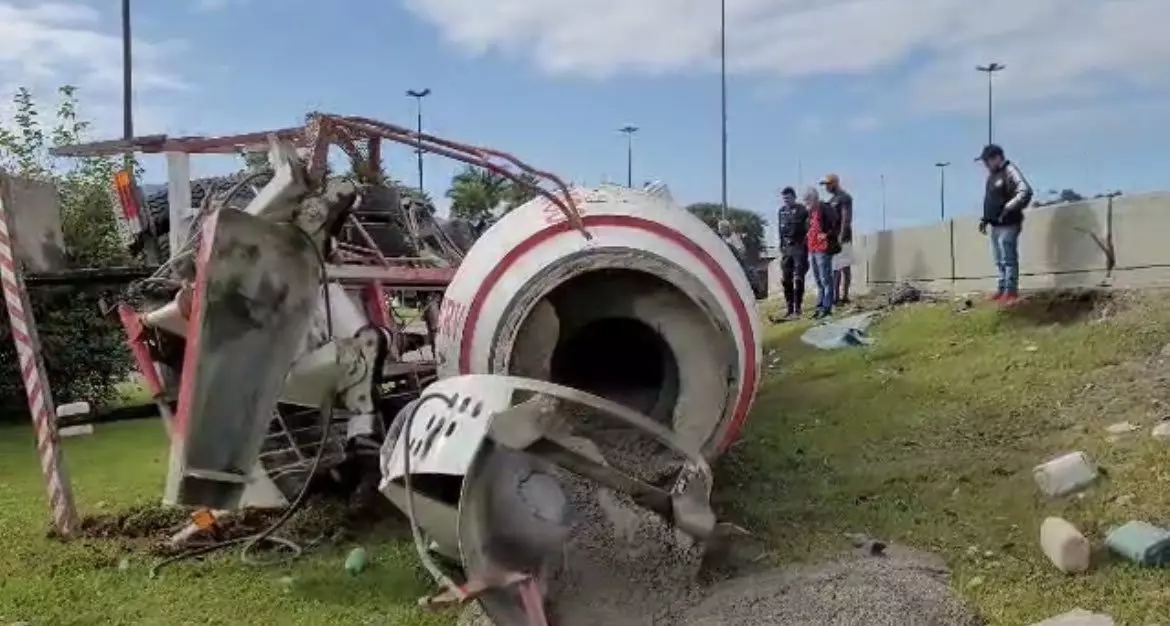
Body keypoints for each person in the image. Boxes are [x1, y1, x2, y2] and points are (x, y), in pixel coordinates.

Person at [976, 144, 1033, 304]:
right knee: (999, 259)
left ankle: (1011, 291)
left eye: (988, 161)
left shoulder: (1010, 170)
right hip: (995, 225)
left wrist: (1008, 207)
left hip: (1009, 223)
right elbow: (990, 200)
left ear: (997, 157)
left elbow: (1025, 191)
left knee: (1008, 258)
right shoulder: (991, 177)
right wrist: (985, 218)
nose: (986, 165)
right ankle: (1001, 290)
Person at [804, 186, 841, 318]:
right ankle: (819, 306)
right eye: (805, 200)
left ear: (815, 198)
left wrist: (827, 234)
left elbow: (837, 224)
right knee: (818, 280)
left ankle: (827, 307)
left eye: (808, 200)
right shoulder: (810, 213)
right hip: (813, 248)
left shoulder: (825, 208)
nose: (806, 203)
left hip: (823, 248)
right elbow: (810, 227)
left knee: (826, 279)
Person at [820, 173, 855, 306]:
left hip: (843, 237)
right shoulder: (831, 200)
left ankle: (844, 296)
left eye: (828, 184)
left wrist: (841, 236)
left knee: (844, 267)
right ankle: (836, 296)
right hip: (833, 238)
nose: (826, 187)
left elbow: (846, 218)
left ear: (835, 183)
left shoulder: (844, 197)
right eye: (825, 185)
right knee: (836, 268)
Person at [776, 187, 809, 318]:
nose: (786, 201)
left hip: (799, 247)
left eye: (788, 198)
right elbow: (780, 230)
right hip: (786, 248)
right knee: (786, 278)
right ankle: (789, 308)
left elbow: (808, 227)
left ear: (794, 197)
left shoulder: (801, 210)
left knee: (798, 278)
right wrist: (781, 246)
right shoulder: (781, 211)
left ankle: (798, 308)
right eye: (784, 199)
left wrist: (805, 245)